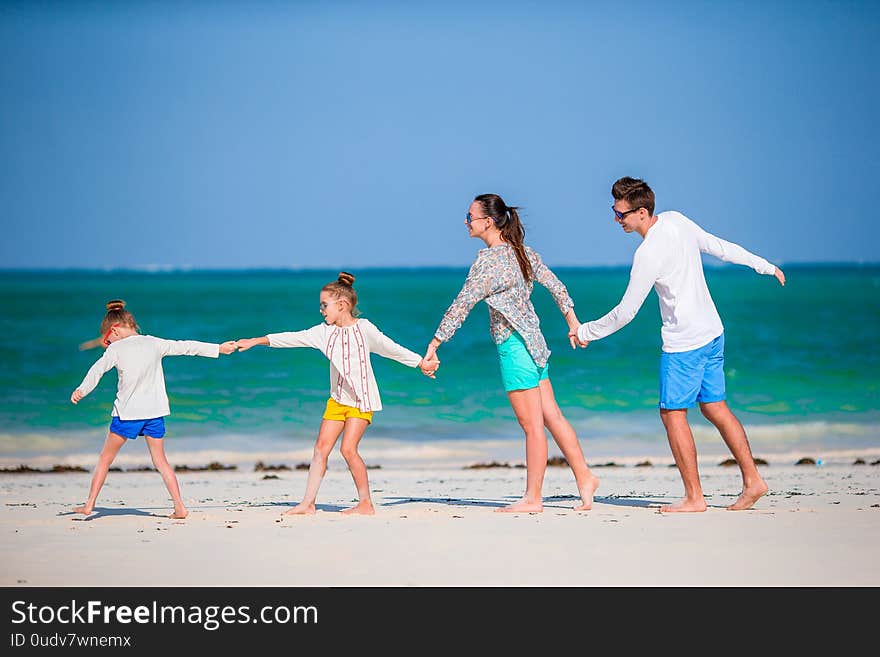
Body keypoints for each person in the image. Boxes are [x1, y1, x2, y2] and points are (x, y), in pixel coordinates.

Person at [572, 176, 786, 513]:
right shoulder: (677, 220)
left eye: (621, 214)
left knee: (672, 414)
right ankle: (753, 481)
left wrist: (585, 332)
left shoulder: (647, 253)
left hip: (684, 342)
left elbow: (627, 312)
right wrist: (765, 265)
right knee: (715, 407)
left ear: (641, 212)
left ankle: (694, 498)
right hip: (713, 332)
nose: (617, 219)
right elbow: (720, 247)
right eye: (614, 212)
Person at [421, 193, 600, 513]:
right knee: (552, 417)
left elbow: (461, 305)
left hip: (515, 348)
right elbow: (557, 287)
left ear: (487, 222)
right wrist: (573, 322)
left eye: (470, 217)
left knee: (532, 425)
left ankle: (533, 498)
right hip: (536, 344)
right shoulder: (523, 253)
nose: (466, 222)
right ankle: (585, 477)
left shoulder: (487, 263)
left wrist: (434, 345)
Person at [236, 272, 438, 516]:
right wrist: (258, 340)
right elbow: (291, 337)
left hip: (362, 400)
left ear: (342, 305)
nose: (321, 311)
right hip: (338, 399)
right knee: (321, 448)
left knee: (348, 450)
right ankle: (308, 504)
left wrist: (420, 363)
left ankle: (366, 504)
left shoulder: (364, 329)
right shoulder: (323, 333)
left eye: (324, 306)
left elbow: (390, 348)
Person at [70, 299, 237, 518]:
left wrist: (82, 390)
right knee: (160, 462)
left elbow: (97, 370)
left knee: (105, 459)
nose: (106, 343)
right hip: (154, 414)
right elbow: (187, 346)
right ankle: (180, 507)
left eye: (106, 339)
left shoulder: (116, 349)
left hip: (127, 414)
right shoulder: (154, 343)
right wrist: (219, 348)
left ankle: (89, 504)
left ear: (114, 330)